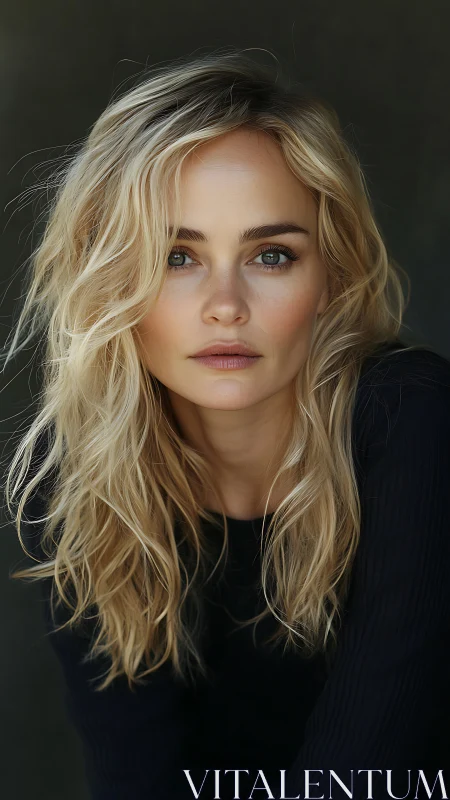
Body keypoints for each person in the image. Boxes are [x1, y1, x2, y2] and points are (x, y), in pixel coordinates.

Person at [3, 48, 450, 800]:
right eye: (177, 256)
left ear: (330, 276)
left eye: (271, 254)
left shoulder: (413, 421)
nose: (225, 305)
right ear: (108, 276)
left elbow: (362, 772)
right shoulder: (77, 476)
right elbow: (135, 780)